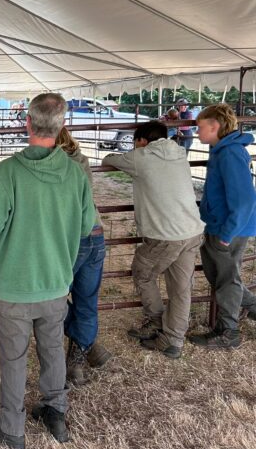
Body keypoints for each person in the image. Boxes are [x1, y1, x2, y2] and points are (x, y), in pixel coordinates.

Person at [0, 93, 96, 449]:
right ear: (61, 127)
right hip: (56, 281)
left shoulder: (7, 172)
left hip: (14, 285)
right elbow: (88, 224)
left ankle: (12, 428)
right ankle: (54, 411)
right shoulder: (75, 172)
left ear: (27, 123)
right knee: (53, 348)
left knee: (13, 357)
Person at [102, 121, 205, 358]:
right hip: (191, 229)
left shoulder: (140, 157)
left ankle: (156, 321)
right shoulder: (179, 153)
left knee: (142, 272)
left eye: (134, 142)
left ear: (142, 140)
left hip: (165, 235)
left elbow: (109, 159)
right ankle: (173, 339)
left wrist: (129, 153)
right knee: (181, 288)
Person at [188, 104, 256, 348]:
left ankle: (228, 333)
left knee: (226, 279)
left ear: (214, 127)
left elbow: (245, 199)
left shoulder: (229, 154)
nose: (197, 133)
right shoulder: (222, 150)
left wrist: (227, 233)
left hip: (229, 228)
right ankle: (252, 307)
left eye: (200, 127)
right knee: (220, 275)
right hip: (220, 224)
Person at [55, 128, 112, 384]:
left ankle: (82, 344)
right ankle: (82, 354)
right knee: (87, 301)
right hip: (95, 233)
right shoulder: (81, 159)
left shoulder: (53, 165)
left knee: (50, 299)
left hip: (70, 238)